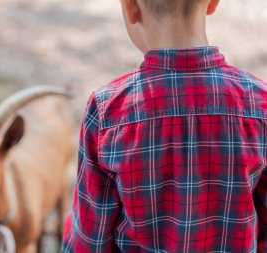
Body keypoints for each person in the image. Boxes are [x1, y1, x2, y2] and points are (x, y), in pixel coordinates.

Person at [62, 0, 267, 252]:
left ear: (131, 8)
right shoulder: (260, 104)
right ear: (213, 3)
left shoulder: (106, 110)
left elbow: (88, 242)